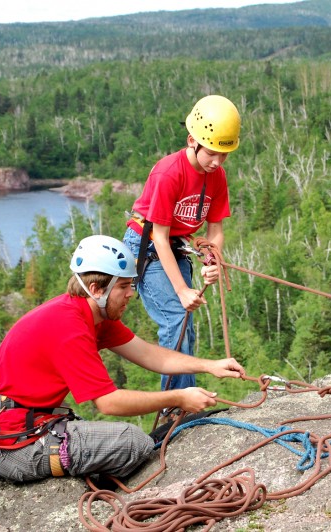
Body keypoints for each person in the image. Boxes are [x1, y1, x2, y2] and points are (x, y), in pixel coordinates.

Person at [0, 235, 245, 483]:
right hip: (15, 447)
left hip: (23, 430)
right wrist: (179, 398)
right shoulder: (68, 326)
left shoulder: (95, 316)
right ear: (97, 290)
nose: (130, 295)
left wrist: (210, 366)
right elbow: (108, 403)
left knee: (128, 440)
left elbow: (148, 354)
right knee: (132, 442)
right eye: (124, 287)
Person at [123, 94, 240, 392]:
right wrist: (181, 289)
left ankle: (182, 399)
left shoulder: (217, 177)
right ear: (192, 141)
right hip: (146, 245)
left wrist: (213, 260)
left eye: (224, 155)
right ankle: (179, 404)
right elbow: (158, 236)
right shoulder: (168, 173)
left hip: (176, 245)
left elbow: (216, 230)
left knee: (186, 326)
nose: (217, 161)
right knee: (176, 319)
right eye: (212, 152)